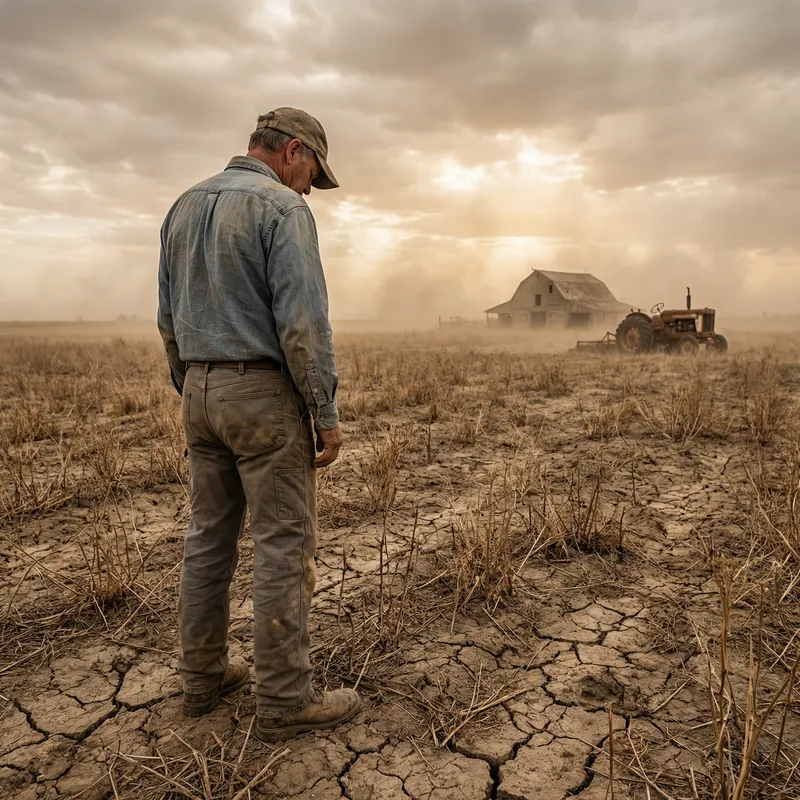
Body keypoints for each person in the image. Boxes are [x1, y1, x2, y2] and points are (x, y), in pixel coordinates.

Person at [157, 107, 361, 743]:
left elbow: (166, 317)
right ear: (292, 151)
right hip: (261, 396)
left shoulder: (183, 205)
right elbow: (303, 326)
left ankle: (202, 681)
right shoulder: (282, 210)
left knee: (207, 539)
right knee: (281, 544)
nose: (308, 189)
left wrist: (192, 384)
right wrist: (323, 412)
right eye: (312, 174)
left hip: (199, 389)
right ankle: (283, 699)